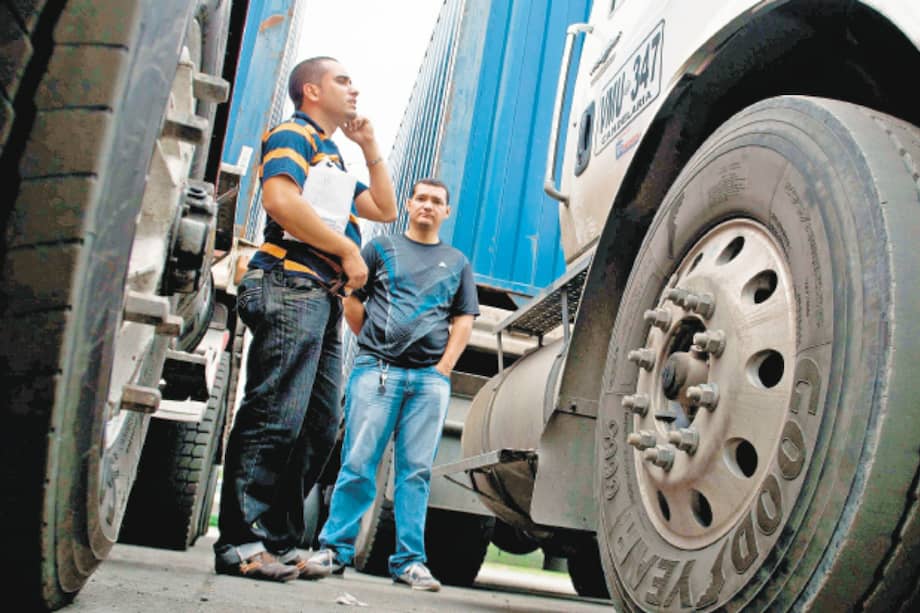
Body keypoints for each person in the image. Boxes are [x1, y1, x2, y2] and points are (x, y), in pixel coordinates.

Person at [213, 56, 397, 582]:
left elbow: (384, 208)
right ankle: (240, 541)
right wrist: (347, 250)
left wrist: (368, 147)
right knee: (276, 414)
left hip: (319, 295)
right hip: (289, 284)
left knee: (315, 426)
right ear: (311, 91)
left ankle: (279, 539)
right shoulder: (295, 134)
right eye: (343, 79)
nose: (354, 86)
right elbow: (280, 198)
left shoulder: (333, 154)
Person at [301, 178, 478, 592]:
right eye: (421, 199)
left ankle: (410, 563)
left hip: (428, 383)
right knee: (359, 461)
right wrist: (374, 345)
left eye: (437, 201)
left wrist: (443, 369)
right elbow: (352, 298)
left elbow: (463, 320)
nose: (428, 206)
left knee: (415, 473)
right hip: (376, 372)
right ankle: (334, 550)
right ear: (410, 204)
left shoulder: (457, 263)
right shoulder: (380, 250)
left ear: (446, 212)